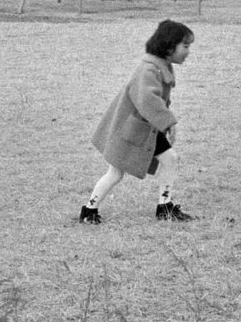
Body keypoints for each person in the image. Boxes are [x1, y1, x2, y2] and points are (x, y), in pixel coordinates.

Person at [79, 20, 195, 223]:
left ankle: (164, 207)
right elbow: (147, 99)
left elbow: (154, 100)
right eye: (185, 46)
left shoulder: (159, 67)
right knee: (115, 172)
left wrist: (165, 120)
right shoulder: (149, 70)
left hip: (144, 128)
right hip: (133, 130)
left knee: (168, 160)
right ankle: (89, 211)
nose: (188, 51)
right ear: (169, 47)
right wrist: (168, 122)